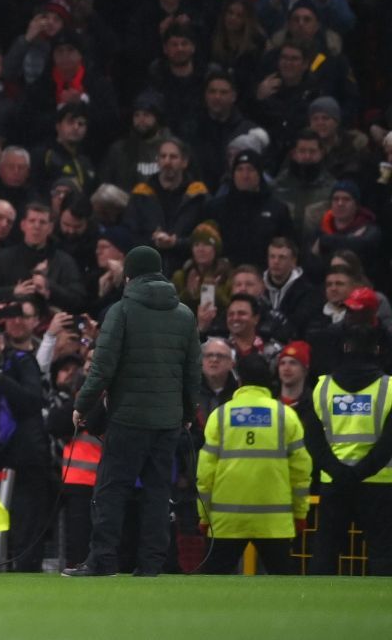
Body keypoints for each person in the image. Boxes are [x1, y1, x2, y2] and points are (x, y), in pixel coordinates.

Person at [68, 245, 202, 577]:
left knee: (112, 490)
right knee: (158, 494)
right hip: (168, 421)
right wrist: (186, 412)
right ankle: (152, 565)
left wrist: (82, 405)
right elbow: (192, 372)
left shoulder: (122, 311)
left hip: (127, 417)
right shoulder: (184, 314)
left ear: (128, 275)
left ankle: (102, 560)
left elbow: (102, 369)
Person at [299, 288, 392, 575]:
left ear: (344, 347)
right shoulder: (389, 388)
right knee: (381, 553)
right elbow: (389, 444)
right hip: (380, 483)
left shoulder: (322, 388)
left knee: (326, 552)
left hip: (333, 481)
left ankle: (315, 612)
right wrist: (361, 471)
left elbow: (313, 440)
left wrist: (339, 472)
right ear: (376, 349)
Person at [195, 350, 311, 575]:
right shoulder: (285, 416)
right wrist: (300, 514)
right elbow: (301, 472)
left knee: (211, 587)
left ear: (238, 379)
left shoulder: (220, 416)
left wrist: (203, 515)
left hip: (227, 520)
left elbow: (205, 472)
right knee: (285, 588)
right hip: (274, 521)